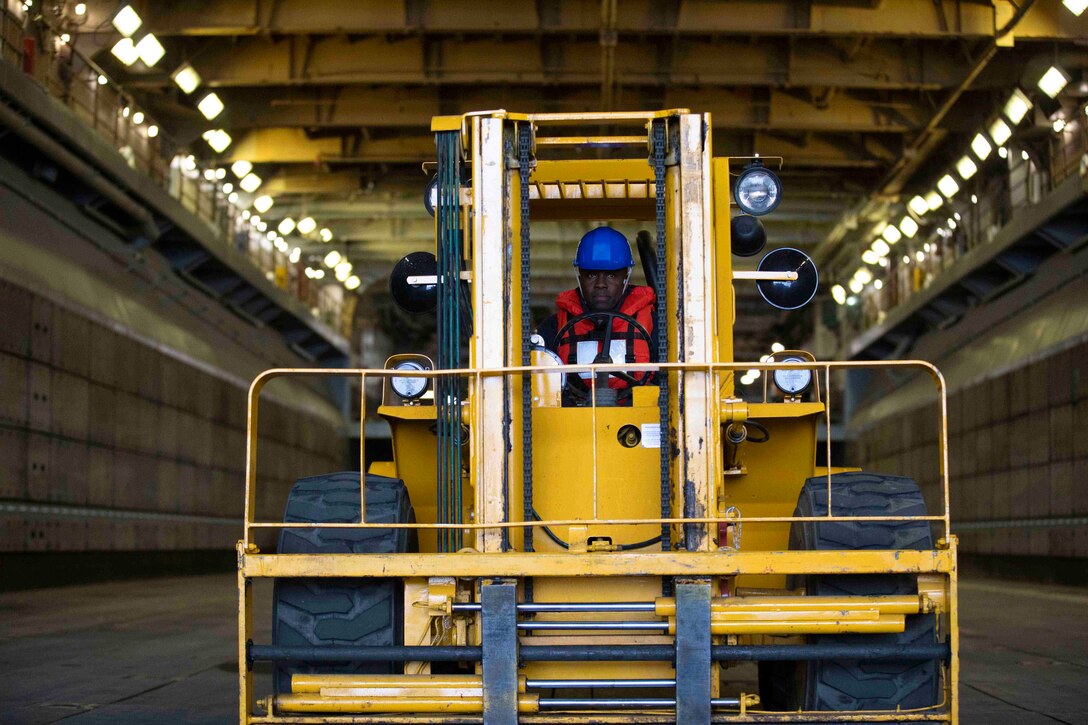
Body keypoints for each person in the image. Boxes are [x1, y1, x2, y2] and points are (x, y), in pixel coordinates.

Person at [535, 227, 657, 403]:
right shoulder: (553, 328)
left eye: (611, 275)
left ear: (626, 276)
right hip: (572, 425)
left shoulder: (656, 325)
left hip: (636, 425)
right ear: (580, 276)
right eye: (591, 275)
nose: (601, 284)